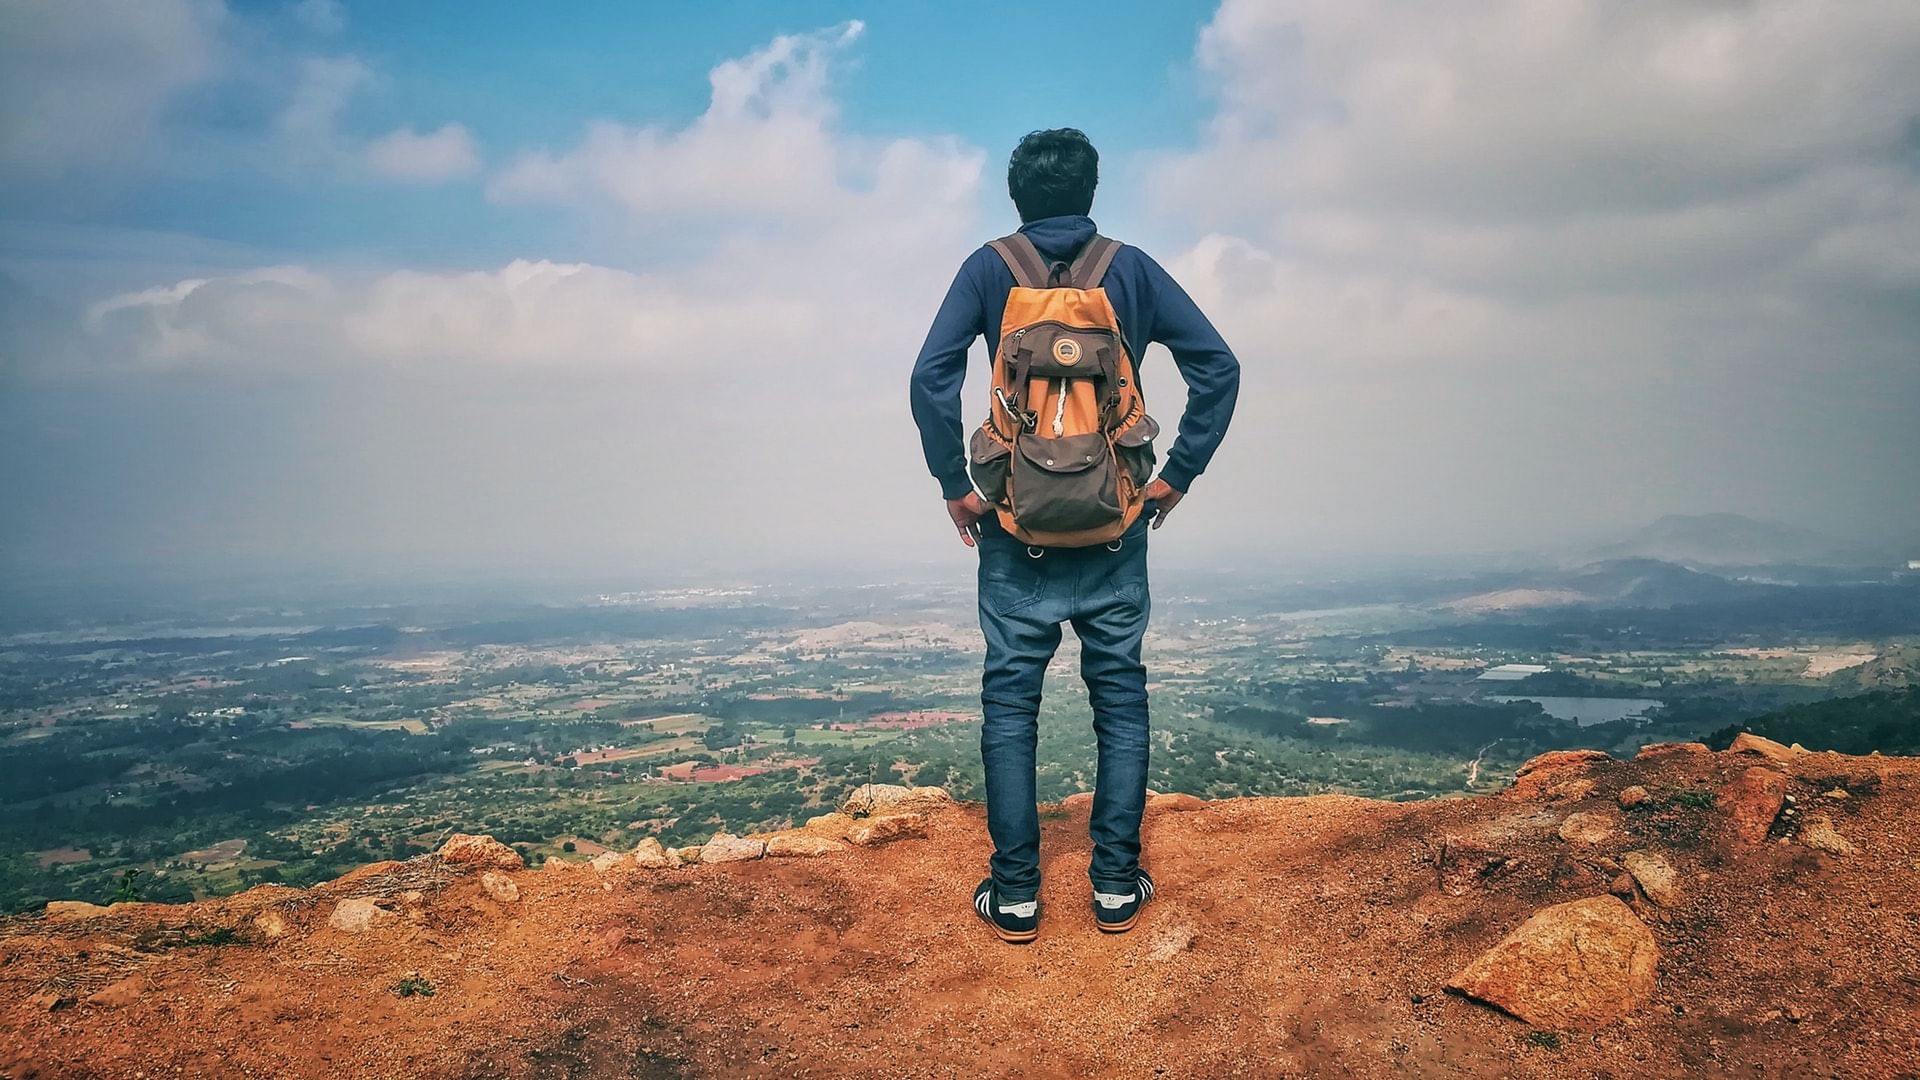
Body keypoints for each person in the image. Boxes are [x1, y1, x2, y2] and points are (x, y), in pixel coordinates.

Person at [908, 128, 1241, 942]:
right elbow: (1219, 368)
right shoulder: (1129, 268)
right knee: (1119, 697)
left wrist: (956, 485)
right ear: (1091, 192)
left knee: (1010, 703)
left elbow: (930, 376)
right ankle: (1116, 889)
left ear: (1017, 196)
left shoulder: (990, 268)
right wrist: (1176, 477)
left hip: (1015, 527)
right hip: (1116, 525)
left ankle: (1016, 895)